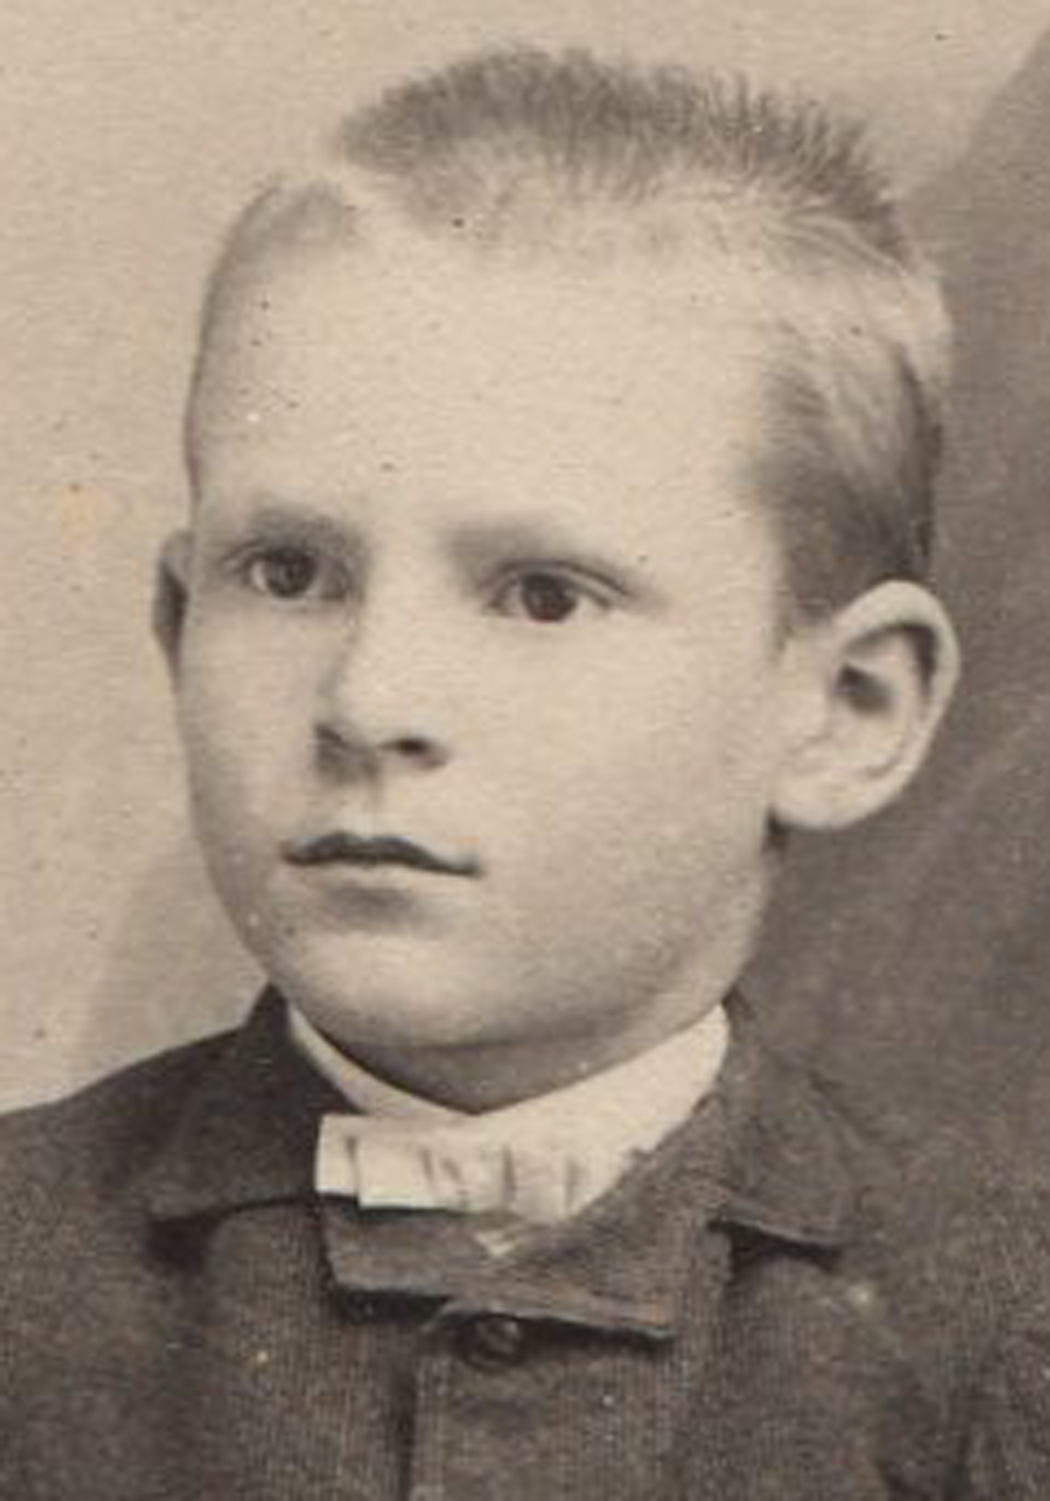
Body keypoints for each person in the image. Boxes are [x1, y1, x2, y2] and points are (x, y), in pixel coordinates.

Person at [3, 45, 1049, 1499]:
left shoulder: (1001, 1335)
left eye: (543, 595)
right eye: (289, 572)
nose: (369, 700)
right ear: (179, 627)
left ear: (846, 708)